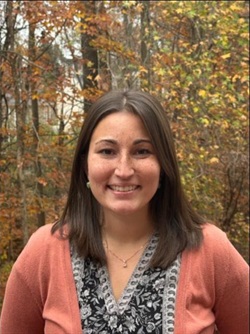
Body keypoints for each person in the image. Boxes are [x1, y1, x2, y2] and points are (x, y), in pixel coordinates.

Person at [0, 90, 248, 334]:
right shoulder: (45, 251)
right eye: (107, 151)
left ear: (163, 163)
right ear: (85, 164)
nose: (124, 170)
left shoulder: (210, 250)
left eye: (142, 151)